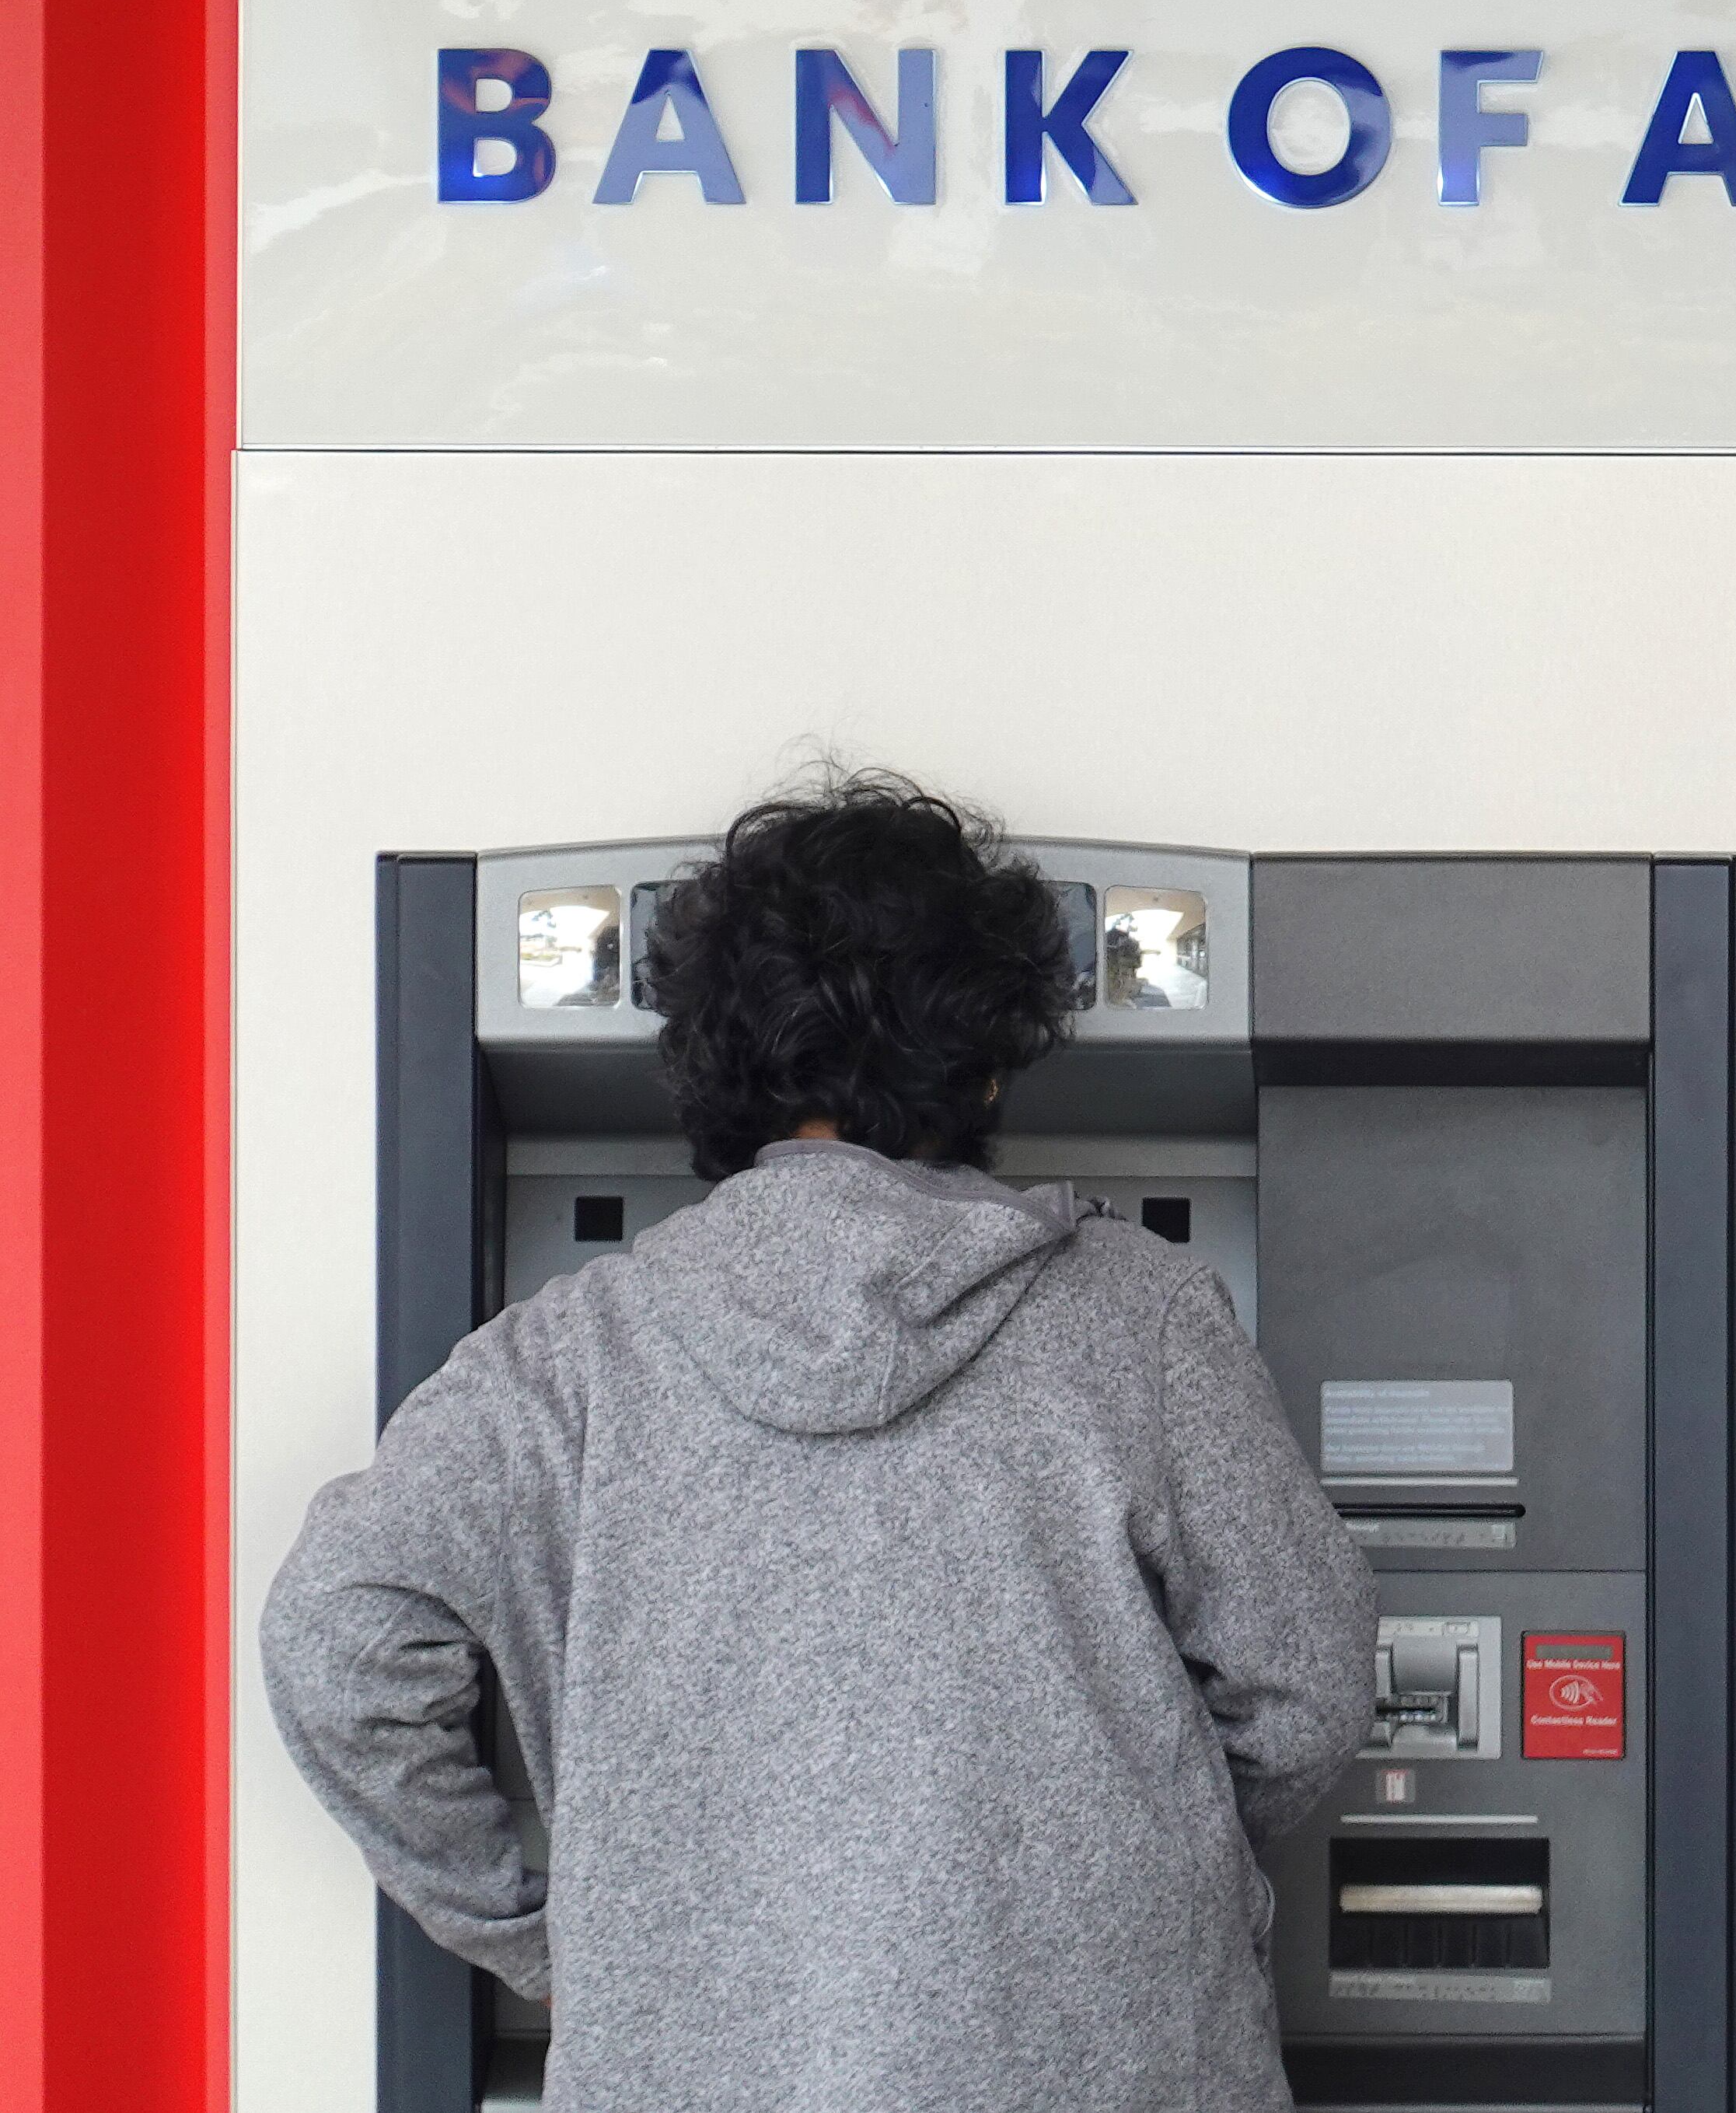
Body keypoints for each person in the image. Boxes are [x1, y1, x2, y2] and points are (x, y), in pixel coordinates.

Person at [264, 771, 1377, 2111]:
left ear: (710, 1058)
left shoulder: (561, 1363)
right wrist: (1139, 1865)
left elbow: (338, 1640)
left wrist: (545, 1931)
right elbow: (1308, 1686)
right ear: (983, 1057)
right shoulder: (1136, 1317)